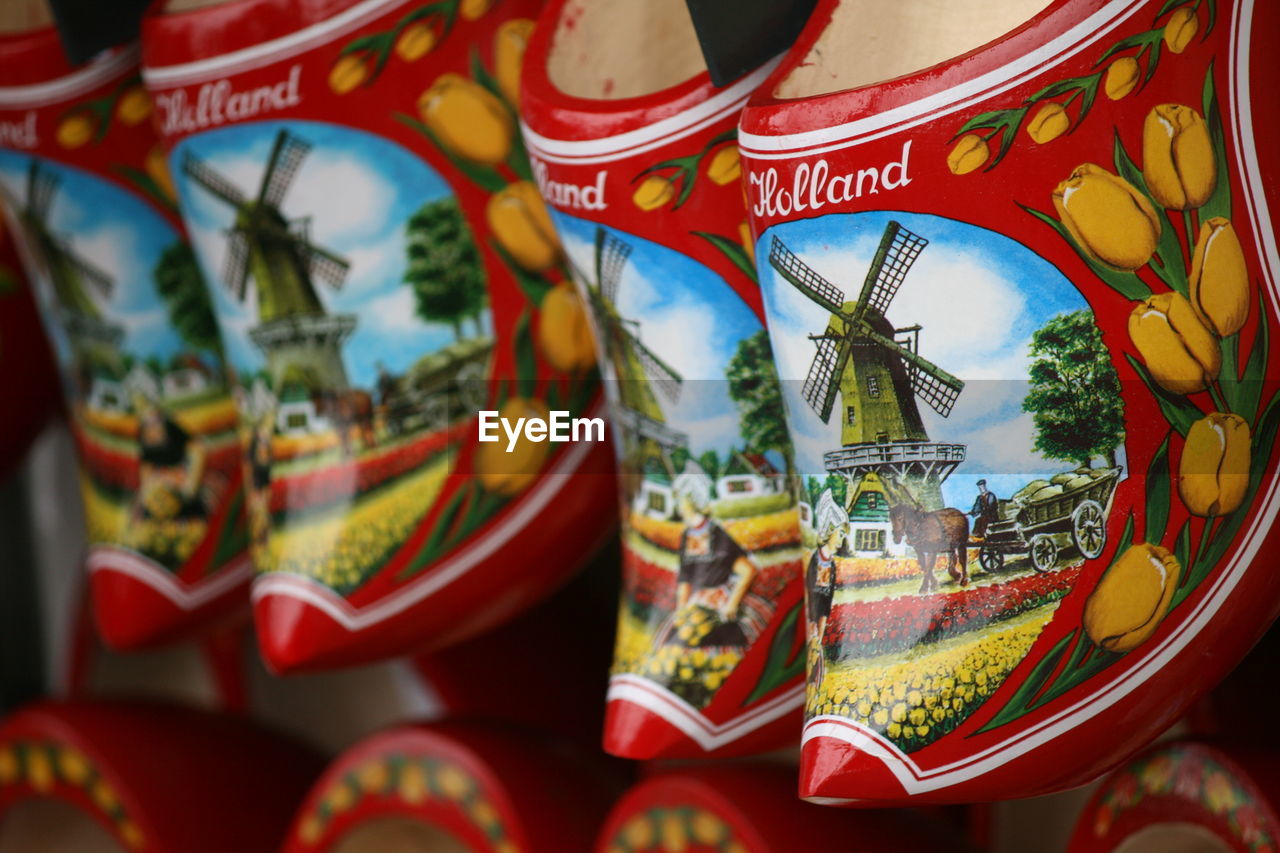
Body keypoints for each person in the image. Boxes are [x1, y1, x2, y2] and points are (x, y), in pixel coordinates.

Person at [660, 463, 764, 650]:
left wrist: (732, 603)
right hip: (696, 601)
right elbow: (686, 578)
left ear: (691, 502)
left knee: (724, 637)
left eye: (681, 501)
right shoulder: (687, 536)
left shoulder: (717, 533)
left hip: (721, 599)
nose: (679, 507)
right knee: (676, 636)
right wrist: (681, 611)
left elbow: (748, 570)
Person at [134, 391, 208, 523]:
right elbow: (146, 468)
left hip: (183, 480)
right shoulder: (144, 439)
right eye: (148, 424)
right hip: (160, 488)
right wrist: (148, 491)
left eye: (156, 422)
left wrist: (190, 482)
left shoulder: (173, 430)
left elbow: (198, 450)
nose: (153, 429)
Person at [807, 489, 847, 689]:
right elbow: (809, 595)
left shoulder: (830, 565)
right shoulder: (815, 560)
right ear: (830, 532)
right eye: (839, 533)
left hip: (816, 626)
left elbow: (825, 603)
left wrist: (820, 634)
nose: (841, 539)